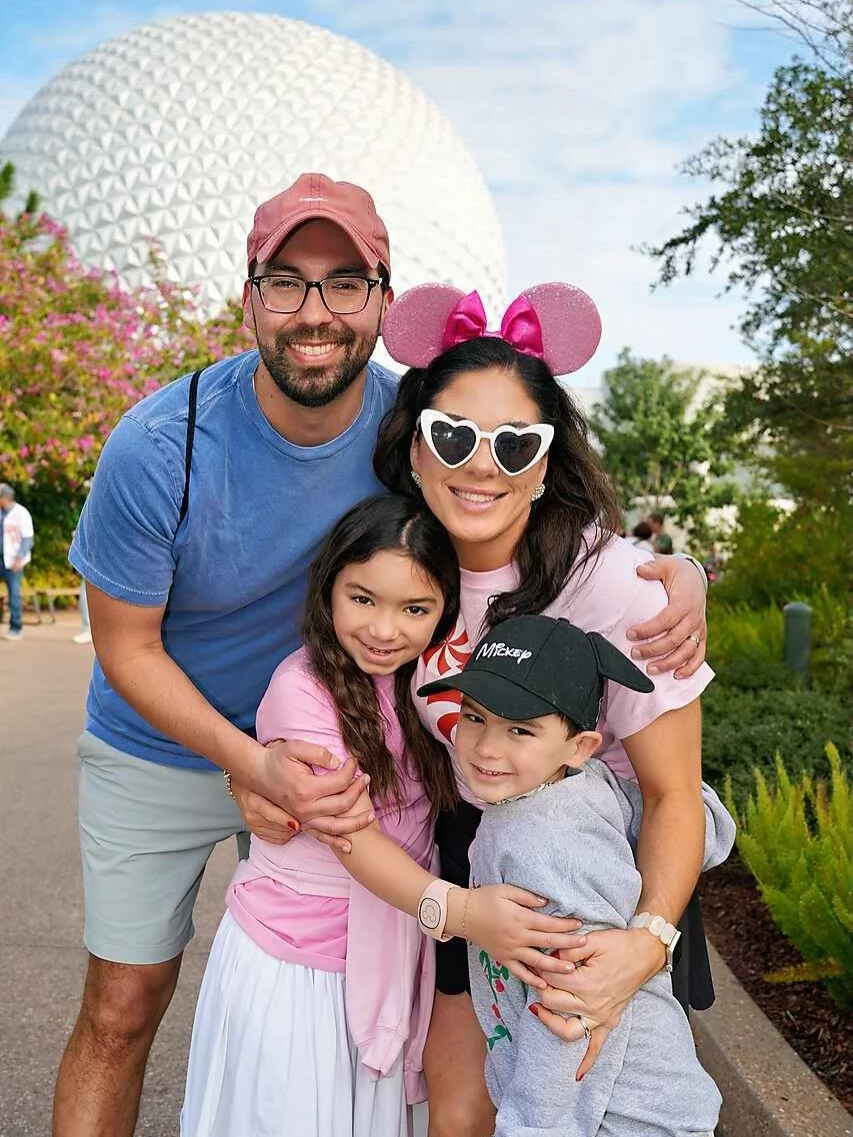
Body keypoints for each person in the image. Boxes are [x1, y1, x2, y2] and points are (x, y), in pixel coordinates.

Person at [58, 172, 705, 1137]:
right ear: (249, 295)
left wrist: (678, 568)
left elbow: (541, 495)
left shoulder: (422, 431)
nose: (314, 311)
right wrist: (251, 760)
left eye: (344, 283)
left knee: (397, 1030)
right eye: (287, 282)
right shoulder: (163, 444)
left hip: (373, 769)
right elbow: (126, 646)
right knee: (123, 1003)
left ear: (382, 301)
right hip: (178, 738)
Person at [363, 282, 716, 1136]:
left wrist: (644, 944)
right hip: (474, 858)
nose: (480, 464)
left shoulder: (610, 586)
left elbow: (674, 796)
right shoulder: (403, 570)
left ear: (545, 461)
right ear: (414, 450)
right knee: (455, 1109)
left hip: (591, 883)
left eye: (513, 443)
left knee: (574, 1104)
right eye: (452, 435)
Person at [182, 494, 461, 1137]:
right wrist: (463, 914)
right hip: (296, 964)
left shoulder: (424, 683)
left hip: (389, 945)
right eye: (362, 599)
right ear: (328, 589)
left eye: (415, 609)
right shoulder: (302, 690)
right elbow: (353, 839)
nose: (384, 630)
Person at [418, 613, 732, 1137]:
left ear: (579, 746)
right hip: (630, 1104)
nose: (487, 747)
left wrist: (530, 1127)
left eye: (520, 729)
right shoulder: (585, 785)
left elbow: (568, 1014)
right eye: (474, 718)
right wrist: (714, 822)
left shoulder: (546, 850)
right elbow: (673, 816)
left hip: (620, 1116)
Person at [0, 482, 34, 642]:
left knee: (14, 594)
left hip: (14, 561)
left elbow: (28, 539)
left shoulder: (21, 513)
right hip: (1, 558)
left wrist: (19, 559)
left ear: (5, 498)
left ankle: (16, 628)